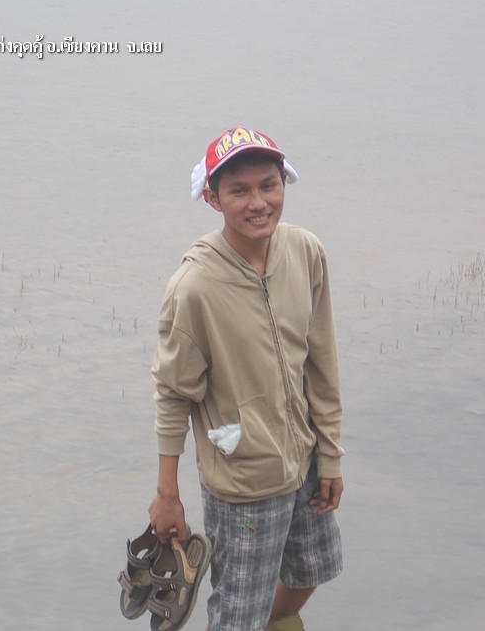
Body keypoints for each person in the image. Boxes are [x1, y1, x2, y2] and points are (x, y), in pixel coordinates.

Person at [148, 126, 344, 631]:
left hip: (303, 460)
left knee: (311, 572)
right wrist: (168, 495)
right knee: (237, 616)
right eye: (239, 190)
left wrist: (329, 454)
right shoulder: (195, 287)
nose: (258, 203)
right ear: (213, 198)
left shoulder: (305, 252)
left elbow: (321, 363)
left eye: (268, 185)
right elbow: (173, 394)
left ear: (284, 183)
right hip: (242, 481)